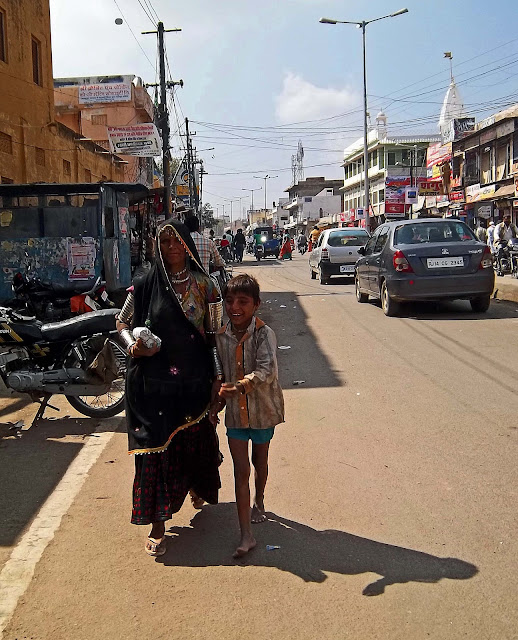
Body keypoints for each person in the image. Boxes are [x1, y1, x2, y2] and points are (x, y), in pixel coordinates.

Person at [116, 219, 223, 557]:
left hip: (193, 382)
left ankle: (195, 485)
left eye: (177, 240)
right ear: (157, 245)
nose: (172, 247)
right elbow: (121, 322)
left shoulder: (206, 286)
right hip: (150, 386)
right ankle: (157, 524)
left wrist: (218, 379)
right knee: (153, 452)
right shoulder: (144, 283)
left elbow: (214, 336)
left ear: (188, 244)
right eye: (165, 241)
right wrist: (132, 345)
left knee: (193, 441)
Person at [213, 274, 284, 558]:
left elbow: (266, 370)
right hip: (235, 417)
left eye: (243, 302)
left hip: (263, 411)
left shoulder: (265, 334)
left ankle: (260, 499)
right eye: (230, 301)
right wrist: (215, 404)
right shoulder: (221, 336)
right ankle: (246, 534)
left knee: (260, 461)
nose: (235, 307)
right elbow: (217, 374)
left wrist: (241, 385)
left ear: (256, 305)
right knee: (240, 471)